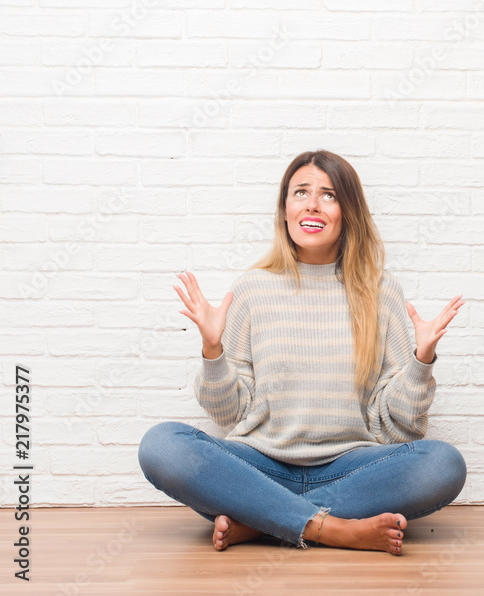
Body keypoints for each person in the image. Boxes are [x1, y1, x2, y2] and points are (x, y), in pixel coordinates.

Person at [137, 150, 467, 555]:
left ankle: (263, 522)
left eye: (328, 195)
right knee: (161, 445)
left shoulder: (381, 291)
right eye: (301, 193)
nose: (312, 204)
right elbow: (230, 415)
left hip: (351, 468)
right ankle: (334, 530)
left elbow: (400, 430)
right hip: (260, 467)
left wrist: (421, 363)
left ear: (349, 211)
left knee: (443, 464)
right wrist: (212, 350)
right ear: (285, 209)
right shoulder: (252, 289)